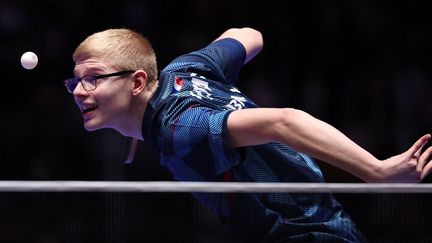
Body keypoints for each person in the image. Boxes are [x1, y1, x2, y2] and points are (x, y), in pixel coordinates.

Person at [64, 27, 432, 242]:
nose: (80, 91)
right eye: (76, 81)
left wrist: (376, 172)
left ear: (138, 81)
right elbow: (249, 35)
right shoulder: (187, 69)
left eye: (93, 79)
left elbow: (283, 122)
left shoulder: (179, 129)